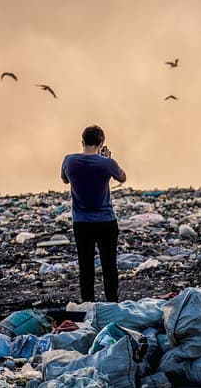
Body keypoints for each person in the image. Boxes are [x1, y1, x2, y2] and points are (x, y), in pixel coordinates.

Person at [60, 125, 127, 303]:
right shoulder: (107, 163)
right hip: (106, 221)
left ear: (82, 142)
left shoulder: (69, 161)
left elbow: (65, 179)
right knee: (109, 265)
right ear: (101, 143)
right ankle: (112, 302)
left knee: (86, 266)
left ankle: (88, 304)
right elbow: (122, 178)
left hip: (81, 222)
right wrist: (106, 159)